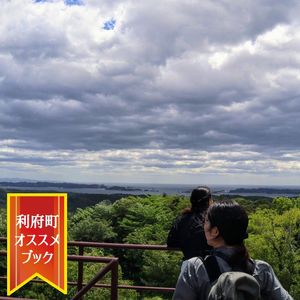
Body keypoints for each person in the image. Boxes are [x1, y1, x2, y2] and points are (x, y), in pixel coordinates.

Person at [172, 200, 293, 300]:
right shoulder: (261, 269)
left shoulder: (194, 268)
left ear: (215, 231)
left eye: (206, 221)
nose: (203, 225)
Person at [167, 186, 213, 271]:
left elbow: (171, 242)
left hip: (188, 266)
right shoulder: (212, 219)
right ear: (208, 201)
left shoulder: (183, 218)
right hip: (211, 267)